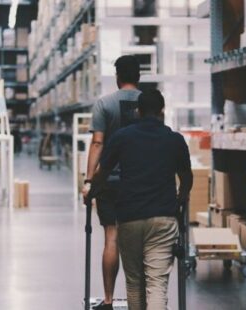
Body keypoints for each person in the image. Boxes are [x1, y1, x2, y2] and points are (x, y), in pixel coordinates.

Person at [90, 90, 193, 310]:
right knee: (156, 284)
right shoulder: (175, 140)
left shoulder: (122, 137)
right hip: (163, 219)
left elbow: (103, 172)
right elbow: (187, 179)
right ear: (162, 111)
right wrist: (179, 201)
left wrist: (90, 192)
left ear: (138, 111)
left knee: (135, 283)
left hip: (129, 218)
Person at [82, 55, 142, 310]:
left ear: (117, 76)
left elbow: (97, 142)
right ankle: (137, 300)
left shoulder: (104, 104)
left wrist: (88, 180)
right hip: (139, 181)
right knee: (139, 240)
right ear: (138, 76)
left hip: (109, 181)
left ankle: (107, 300)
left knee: (112, 238)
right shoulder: (149, 103)